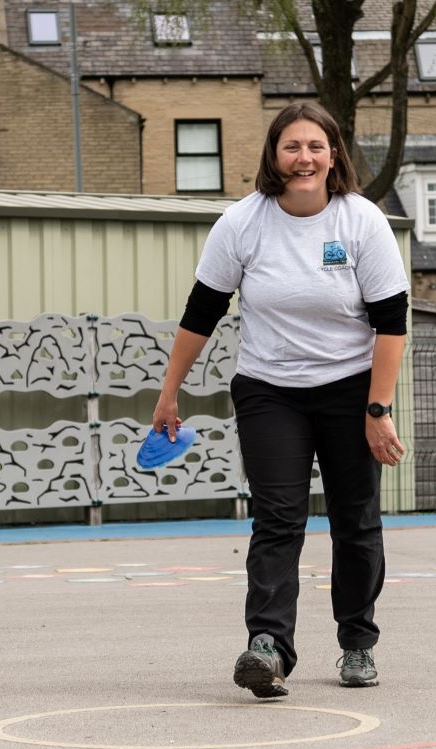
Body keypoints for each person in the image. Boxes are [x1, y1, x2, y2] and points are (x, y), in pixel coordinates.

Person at [152, 101, 410, 698]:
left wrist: (377, 409)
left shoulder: (362, 222)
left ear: (334, 154)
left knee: (356, 521)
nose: (305, 158)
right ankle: (267, 646)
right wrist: (170, 392)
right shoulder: (243, 223)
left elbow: (391, 323)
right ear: (273, 155)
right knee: (277, 519)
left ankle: (357, 644)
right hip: (270, 390)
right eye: (292, 147)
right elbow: (201, 313)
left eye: (316, 147)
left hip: (350, 389)